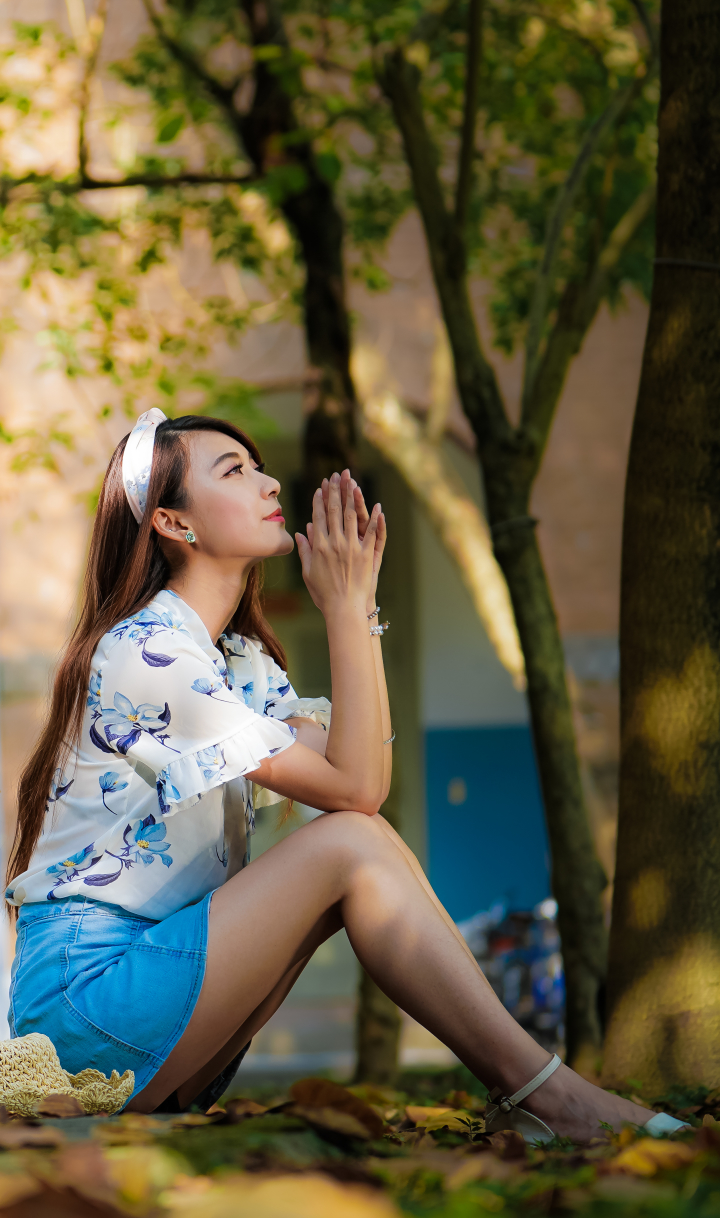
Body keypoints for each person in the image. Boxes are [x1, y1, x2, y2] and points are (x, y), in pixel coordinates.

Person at [5, 411, 683, 1140]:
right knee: (348, 844)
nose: (267, 482)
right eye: (233, 471)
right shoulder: (145, 652)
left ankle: (541, 1092)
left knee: (358, 838)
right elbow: (355, 793)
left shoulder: (235, 663)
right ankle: (554, 1098)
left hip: (151, 1000)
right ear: (173, 523)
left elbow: (363, 781)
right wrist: (346, 609)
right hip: (83, 1010)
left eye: (258, 464)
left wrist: (355, 607)